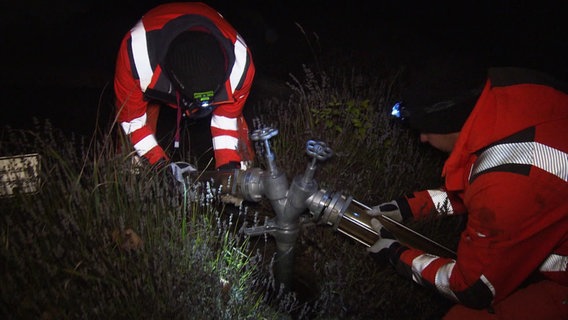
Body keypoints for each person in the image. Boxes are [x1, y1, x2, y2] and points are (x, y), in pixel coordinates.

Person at [367, 62, 568, 319]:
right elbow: (472, 185)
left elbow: (474, 289)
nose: (423, 139)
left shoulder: (507, 185)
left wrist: (397, 256)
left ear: (447, 123)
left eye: (426, 129)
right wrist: (408, 208)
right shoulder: (505, 102)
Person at [114, 2, 255, 170]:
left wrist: (229, 172)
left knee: (240, 163)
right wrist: (161, 167)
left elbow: (226, 121)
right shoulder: (137, 57)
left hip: (208, 27)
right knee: (133, 158)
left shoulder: (241, 68)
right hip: (154, 68)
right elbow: (131, 121)